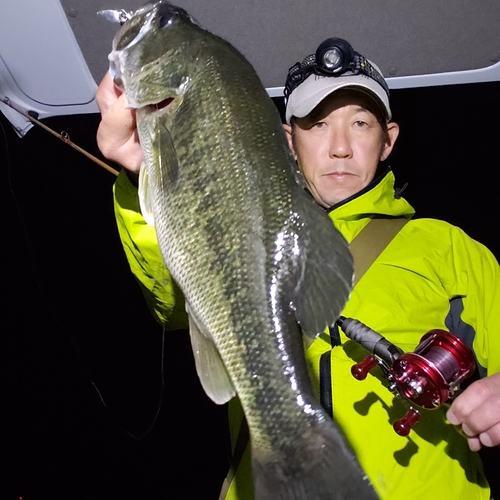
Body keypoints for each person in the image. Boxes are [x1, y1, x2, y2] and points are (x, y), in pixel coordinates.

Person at [96, 37, 500, 499]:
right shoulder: (239, 230)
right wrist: (146, 177)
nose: (341, 148)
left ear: (388, 140)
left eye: (361, 123)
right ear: (289, 141)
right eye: (319, 125)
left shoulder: (449, 247)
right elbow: (171, 304)